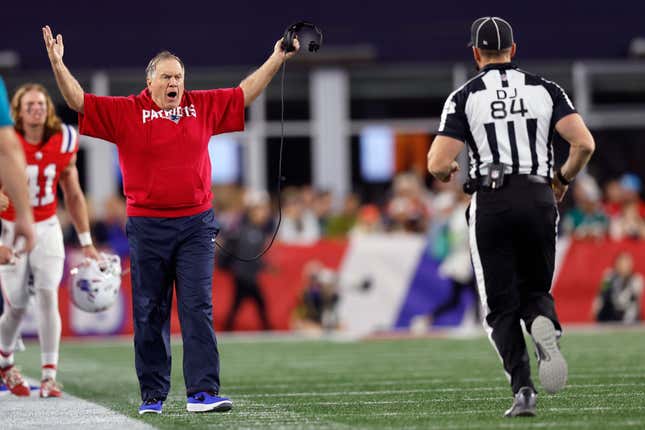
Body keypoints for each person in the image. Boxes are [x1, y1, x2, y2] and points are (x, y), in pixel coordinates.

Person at [43, 25, 299, 414]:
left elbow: (245, 92)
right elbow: (79, 101)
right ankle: (153, 395)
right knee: (150, 311)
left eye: (178, 76)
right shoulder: (127, 110)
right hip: (147, 226)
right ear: (150, 81)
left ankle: (202, 392)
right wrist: (58, 65)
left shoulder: (202, 106)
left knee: (198, 307)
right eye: (166, 76)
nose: (174, 82)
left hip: (196, 224)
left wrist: (277, 56)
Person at [427, 17, 595, 417]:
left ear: (475, 53)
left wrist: (446, 172)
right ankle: (545, 326)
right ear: (513, 50)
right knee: (535, 291)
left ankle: (523, 390)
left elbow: (437, 161)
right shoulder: (546, 89)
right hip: (538, 194)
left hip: (492, 201)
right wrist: (562, 179)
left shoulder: (465, 95)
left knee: (500, 306)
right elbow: (584, 144)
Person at [0, 83, 100, 398]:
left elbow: (72, 192)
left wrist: (86, 240)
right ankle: (5, 360)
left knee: (46, 294)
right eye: (29, 105)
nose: (36, 109)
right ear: (17, 110)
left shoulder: (65, 139)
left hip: (47, 225)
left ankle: (49, 374)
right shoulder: (7, 139)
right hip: (9, 226)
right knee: (16, 304)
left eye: (41, 104)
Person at [221, 190, 273, 331]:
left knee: (240, 305)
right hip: (243, 276)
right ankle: (267, 328)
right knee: (256, 303)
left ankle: (228, 328)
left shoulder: (259, 231)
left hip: (247, 275)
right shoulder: (244, 230)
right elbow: (244, 255)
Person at [592, 252, 643, 323]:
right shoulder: (608, 278)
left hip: (629, 318)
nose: (623, 267)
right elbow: (602, 294)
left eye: (626, 264)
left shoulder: (636, 280)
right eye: (621, 263)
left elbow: (631, 301)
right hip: (610, 316)